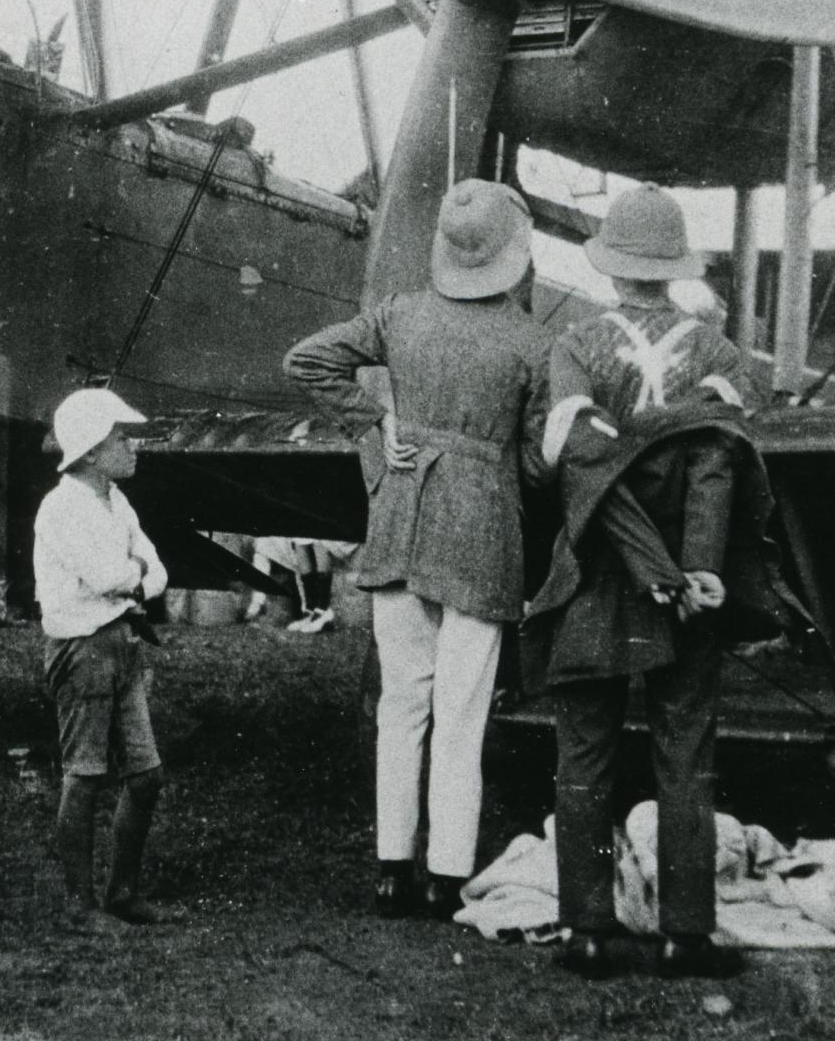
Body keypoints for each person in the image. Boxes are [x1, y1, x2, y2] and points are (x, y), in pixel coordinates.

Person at [525, 183, 784, 981]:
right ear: (673, 269)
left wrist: (647, 567)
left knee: (585, 757)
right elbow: (719, 463)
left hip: (599, 578)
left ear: (610, 268)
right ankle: (686, 934)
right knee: (685, 755)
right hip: (692, 593)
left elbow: (572, 470)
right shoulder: (718, 355)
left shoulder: (570, 348)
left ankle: (589, 929)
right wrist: (697, 569)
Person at [282, 179, 554, 921]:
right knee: (462, 714)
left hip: (399, 515)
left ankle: (390, 872)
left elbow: (305, 360)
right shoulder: (533, 342)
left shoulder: (399, 314)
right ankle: (446, 874)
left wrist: (376, 424)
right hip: (483, 531)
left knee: (401, 705)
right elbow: (535, 465)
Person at [31, 388, 172, 931]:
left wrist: (132, 575)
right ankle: (79, 904)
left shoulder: (116, 501)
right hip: (83, 650)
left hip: (122, 641)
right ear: (90, 450)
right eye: (120, 438)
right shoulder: (62, 505)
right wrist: (133, 574)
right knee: (85, 774)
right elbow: (112, 574)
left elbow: (155, 570)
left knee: (147, 775)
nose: (130, 446)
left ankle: (122, 892)